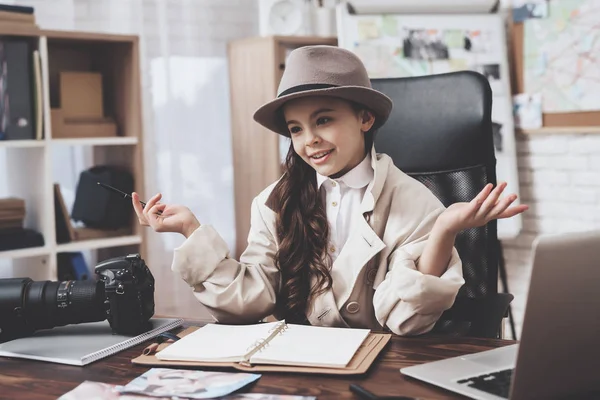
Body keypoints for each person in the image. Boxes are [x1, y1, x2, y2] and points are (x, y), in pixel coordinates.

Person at [132, 46, 527, 335]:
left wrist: (444, 230)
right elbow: (250, 302)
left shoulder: (413, 200)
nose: (309, 141)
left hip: (382, 363)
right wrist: (191, 232)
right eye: (296, 129)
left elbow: (406, 320)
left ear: (365, 118)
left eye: (323, 120)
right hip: (301, 367)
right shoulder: (273, 202)